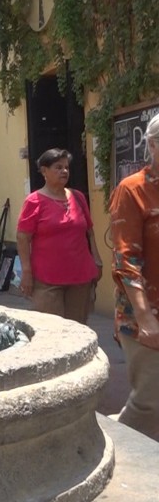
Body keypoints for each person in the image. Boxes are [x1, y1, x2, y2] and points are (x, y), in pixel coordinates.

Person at [109, 113, 159, 441]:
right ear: (153, 145)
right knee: (149, 402)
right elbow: (126, 259)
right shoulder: (132, 190)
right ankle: (121, 457)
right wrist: (146, 318)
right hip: (145, 313)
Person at [16, 148, 103, 324]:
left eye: (66, 167)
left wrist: (97, 260)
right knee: (51, 330)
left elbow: (90, 232)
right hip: (47, 280)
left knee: (77, 330)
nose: (64, 171)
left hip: (80, 277)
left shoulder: (78, 197)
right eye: (58, 167)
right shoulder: (34, 201)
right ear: (44, 171)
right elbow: (23, 238)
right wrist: (26, 271)